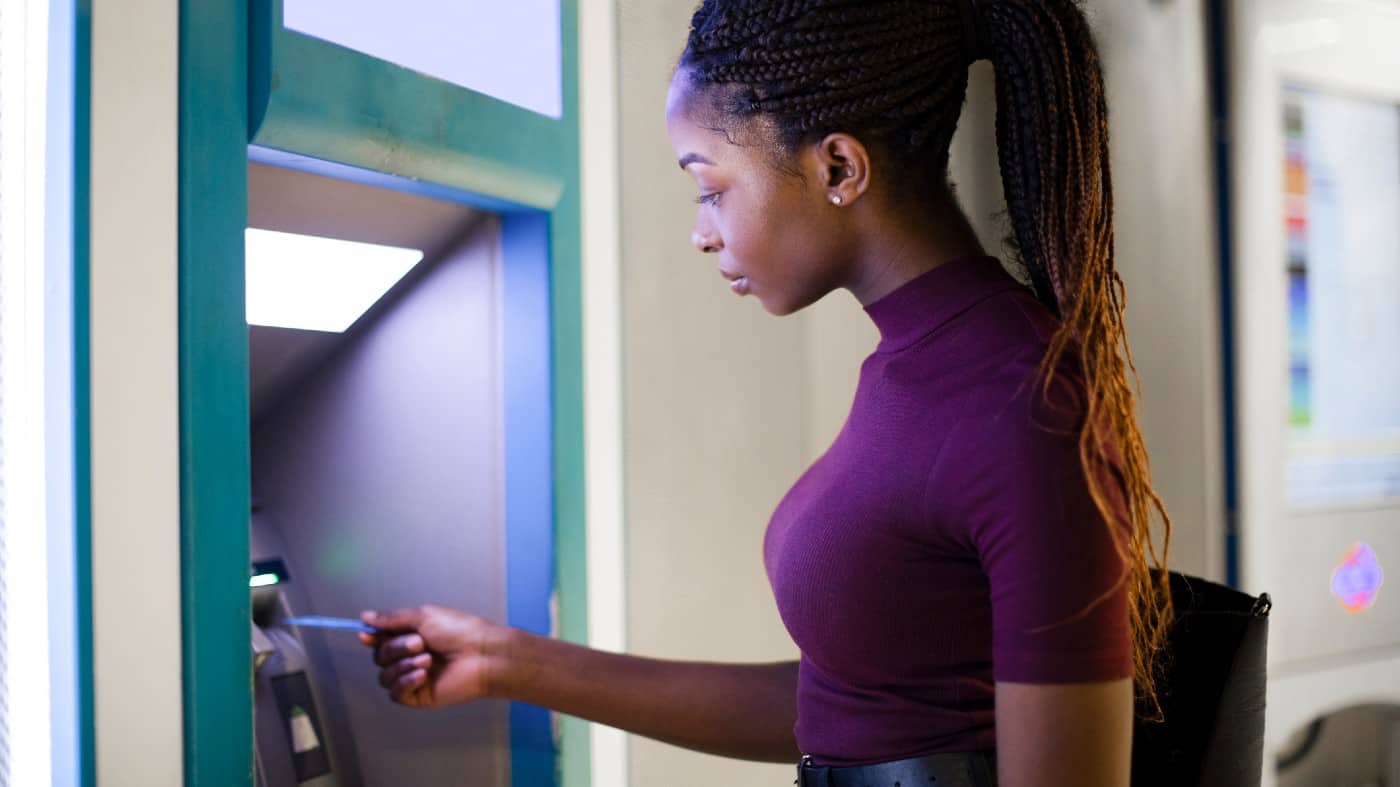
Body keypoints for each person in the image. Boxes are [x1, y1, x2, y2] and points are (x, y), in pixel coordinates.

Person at [361, 1, 1173, 784]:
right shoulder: (916, 365)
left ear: (839, 167)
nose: (701, 230)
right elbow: (855, 702)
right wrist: (507, 659)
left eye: (711, 187)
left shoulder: (1018, 402)